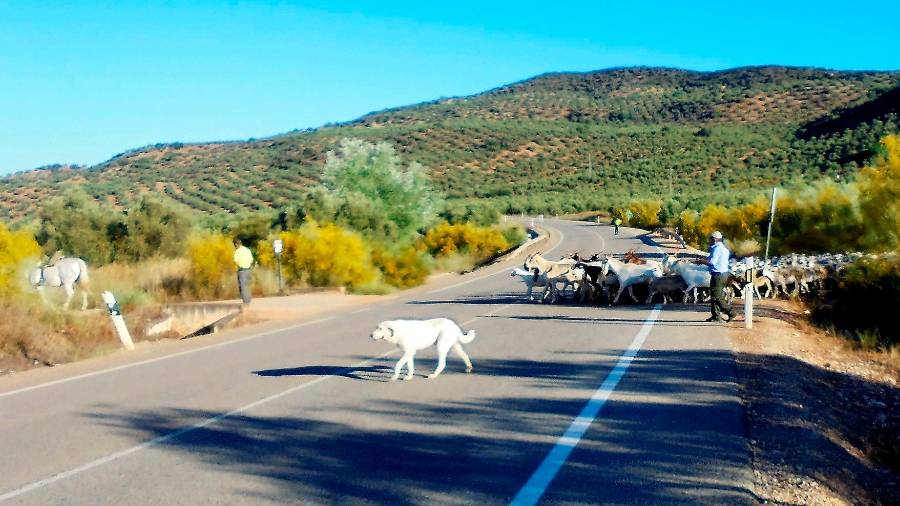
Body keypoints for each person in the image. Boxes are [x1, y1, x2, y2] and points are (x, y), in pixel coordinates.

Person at [701, 231, 736, 322]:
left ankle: (731, 312)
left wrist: (700, 261)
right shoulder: (722, 248)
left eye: (710, 238)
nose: (709, 240)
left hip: (718, 275)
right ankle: (715, 316)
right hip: (722, 274)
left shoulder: (717, 248)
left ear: (715, 239)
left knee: (717, 297)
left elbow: (712, 262)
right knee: (714, 296)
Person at [233, 238, 253, 304]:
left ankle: (246, 303)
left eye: (234, 245)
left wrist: (240, 264)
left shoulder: (237, 251)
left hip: (242, 270)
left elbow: (236, 261)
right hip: (249, 270)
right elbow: (251, 260)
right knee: (247, 286)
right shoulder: (247, 250)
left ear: (236, 244)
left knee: (243, 287)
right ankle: (248, 301)